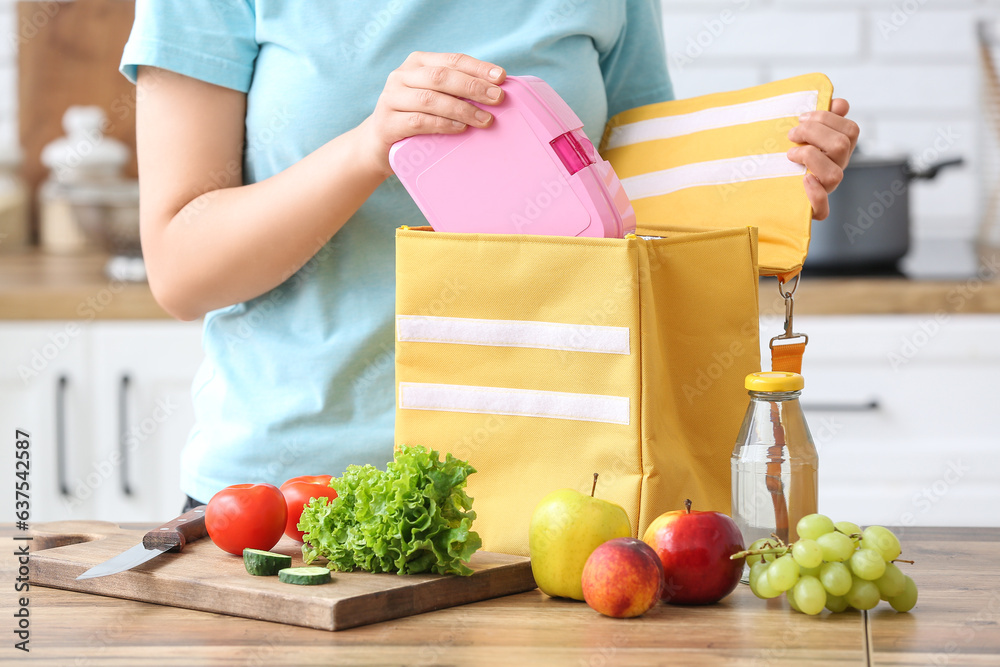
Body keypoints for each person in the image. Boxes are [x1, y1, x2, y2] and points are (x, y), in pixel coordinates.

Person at [119, 1, 859, 509]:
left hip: (560, 496)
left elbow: (631, 197)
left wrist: (765, 172)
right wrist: (368, 149)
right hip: (295, 503)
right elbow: (183, 269)